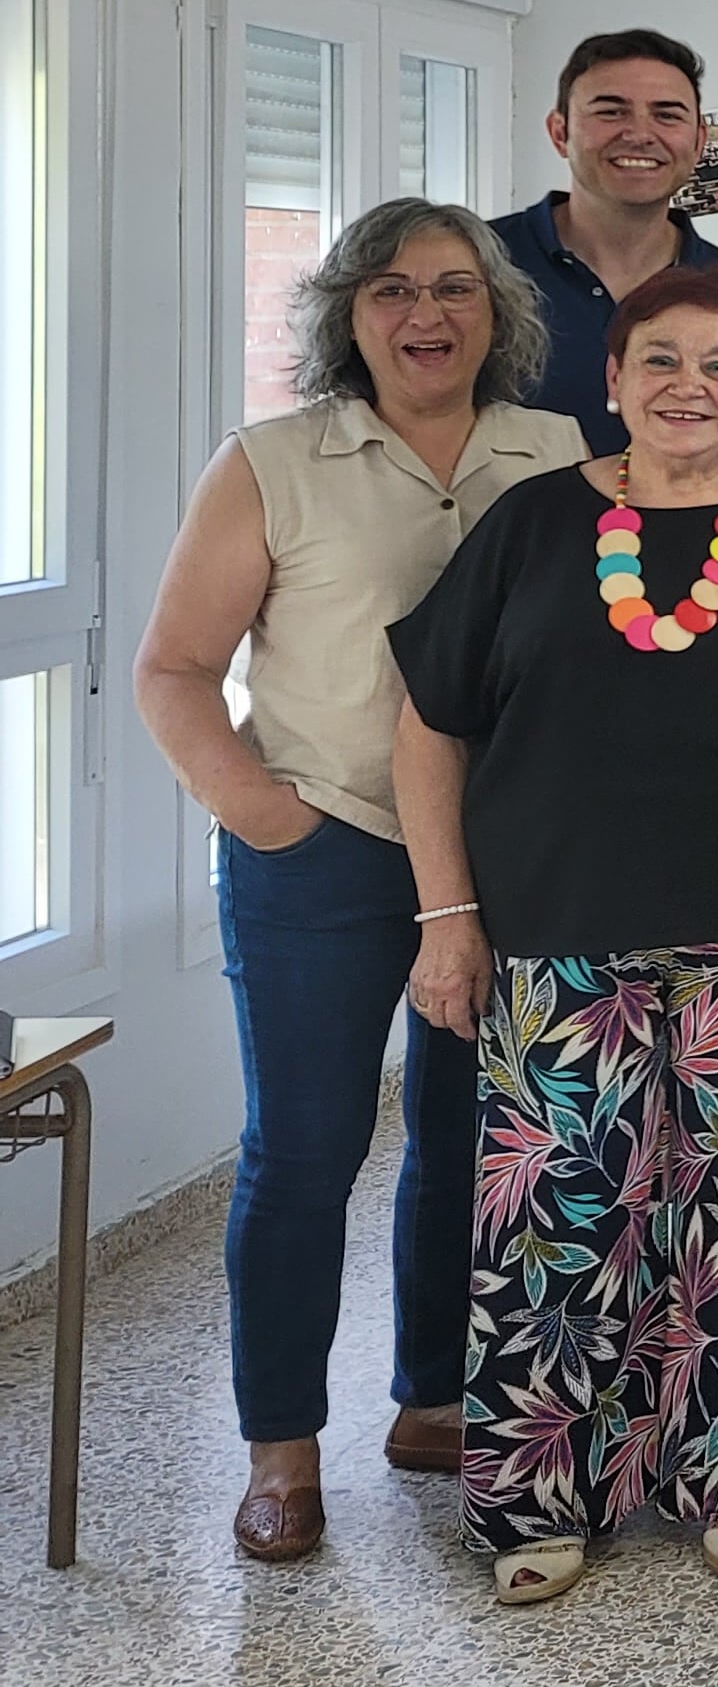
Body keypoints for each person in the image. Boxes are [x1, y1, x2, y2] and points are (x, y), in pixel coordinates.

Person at [385, 265, 718, 1603]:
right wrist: (446, 918)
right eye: (662, 360)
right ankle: (542, 1499)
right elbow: (426, 728)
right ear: (616, 380)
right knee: (559, 1222)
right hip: (560, 941)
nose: (691, 385)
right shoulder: (529, 526)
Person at [133, 201, 584, 1564]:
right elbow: (170, 672)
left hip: (502, 853)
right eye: (390, 291)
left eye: (454, 289)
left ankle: (435, 1400)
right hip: (321, 845)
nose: (424, 315)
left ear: (498, 315)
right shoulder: (274, 460)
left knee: (467, 1141)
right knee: (306, 1153)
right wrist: (261, 817)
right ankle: (281, 1449)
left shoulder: (555, 453)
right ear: (346, 315)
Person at [492, 27, 718, 451]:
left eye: (667, 115)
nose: (640, 133)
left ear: (698, 142)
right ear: (559, 132)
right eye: (610, 112)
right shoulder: (477, 270)